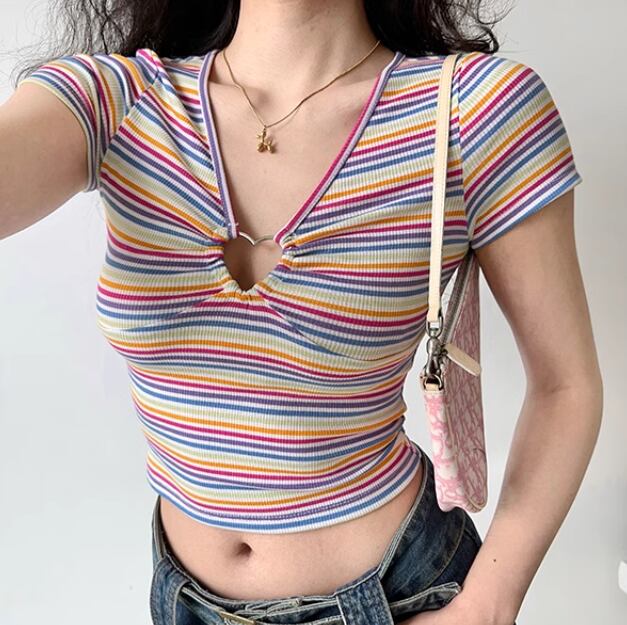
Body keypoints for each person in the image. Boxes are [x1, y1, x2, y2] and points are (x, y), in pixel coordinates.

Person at [1, 1, 603, 624]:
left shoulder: (473, 109)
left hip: (395, 596)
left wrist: (485, 609)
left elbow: (566, 386)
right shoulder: (114, 100)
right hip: (183, 601)